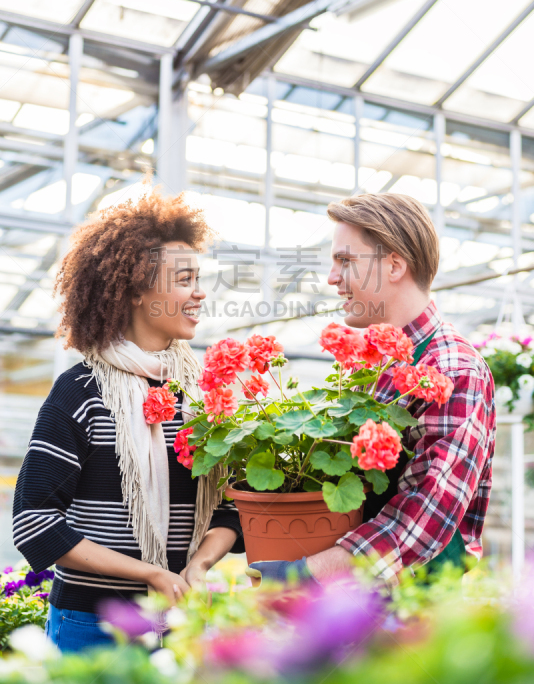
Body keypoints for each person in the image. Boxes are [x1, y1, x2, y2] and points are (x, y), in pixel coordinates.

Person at [13, 190, 243, 652]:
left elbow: (232, 505)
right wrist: (147, 573)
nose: (200, 292)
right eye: (184, 279)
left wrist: (198, 565)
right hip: (92, 624)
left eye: (199, 278)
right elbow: (33, 520)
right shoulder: (81, 392)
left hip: (181, 622)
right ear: (136, 289)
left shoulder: (202, 394)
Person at [248, 193, 495, 585]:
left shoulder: (451, 367)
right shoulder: (380, 365)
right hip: (355, 606)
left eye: (345, 261)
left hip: (411, 617)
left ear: (394, 264)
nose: (331, 277)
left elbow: (426, 515)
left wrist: (305, 573)